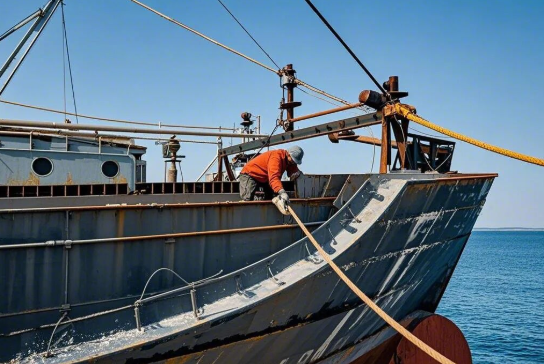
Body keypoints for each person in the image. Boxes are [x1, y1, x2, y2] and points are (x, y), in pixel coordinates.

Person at [239, 146, 304, 214]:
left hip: (265, 177)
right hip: (250, 174)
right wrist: (282, 192)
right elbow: (274, 177)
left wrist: (297, 174)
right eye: (293, 160)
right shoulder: (276, 158)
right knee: (247, 198)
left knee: (272, 197)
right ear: (288, 154)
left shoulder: (289, 161)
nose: (293, 163)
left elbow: (293, 170)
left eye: (295, 162)